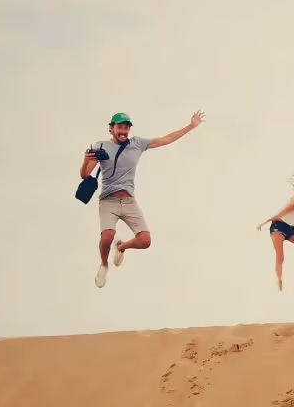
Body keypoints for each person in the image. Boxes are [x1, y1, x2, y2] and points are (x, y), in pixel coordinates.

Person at [80, 110, 206, 288]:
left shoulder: (137, 144)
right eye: (119, 127)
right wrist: (85, 161)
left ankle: (121, 248)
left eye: (126, 127)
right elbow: (85, 175)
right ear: (111, 129)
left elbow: (167, 139)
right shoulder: (100, 147)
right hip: (108, 200)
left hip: (129, 201)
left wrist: (191, 126)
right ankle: (104, 264)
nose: (123, 131)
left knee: (145, 241)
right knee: (107, 235)